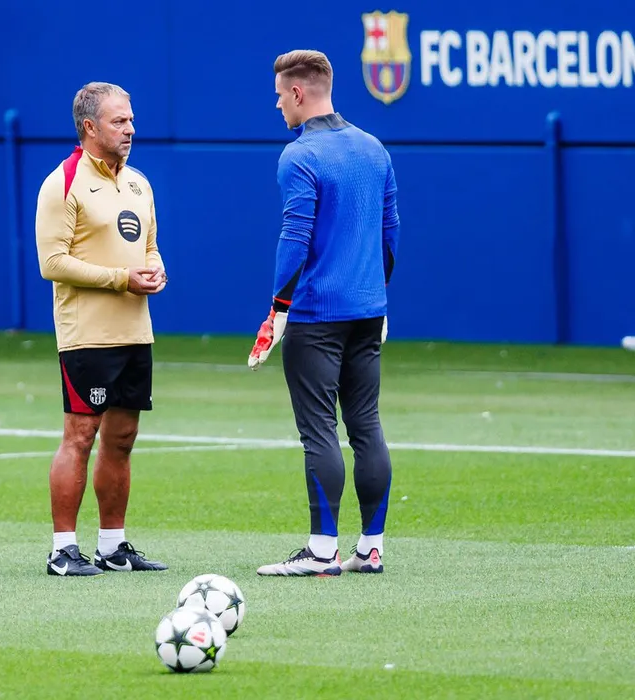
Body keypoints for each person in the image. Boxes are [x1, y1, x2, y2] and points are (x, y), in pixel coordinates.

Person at [248, 50, 401, 577]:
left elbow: (295, 237)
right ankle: (371, 548)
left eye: (279, 95)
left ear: (297, 92)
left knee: (318, 431)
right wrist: (377, 295)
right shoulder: (374, 147)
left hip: (316, 315)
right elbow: (390, 233)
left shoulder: (299, 155)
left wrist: (277, 309)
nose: (277, 105)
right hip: (368, 310)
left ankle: (321, 552)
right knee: (367, 426)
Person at [34, 81, 169, 577]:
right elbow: (52, 262)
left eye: (131, 119)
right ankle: (63, 551)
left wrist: (155, 269)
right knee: (80, 435)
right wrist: (120, 279)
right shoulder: (62, 182)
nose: (130, 128)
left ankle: (113, 547)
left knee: (123, 437)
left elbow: (149, 246)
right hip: (86, 336)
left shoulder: (138, 183)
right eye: (119, 121)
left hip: (135, 332)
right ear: (90, 127)